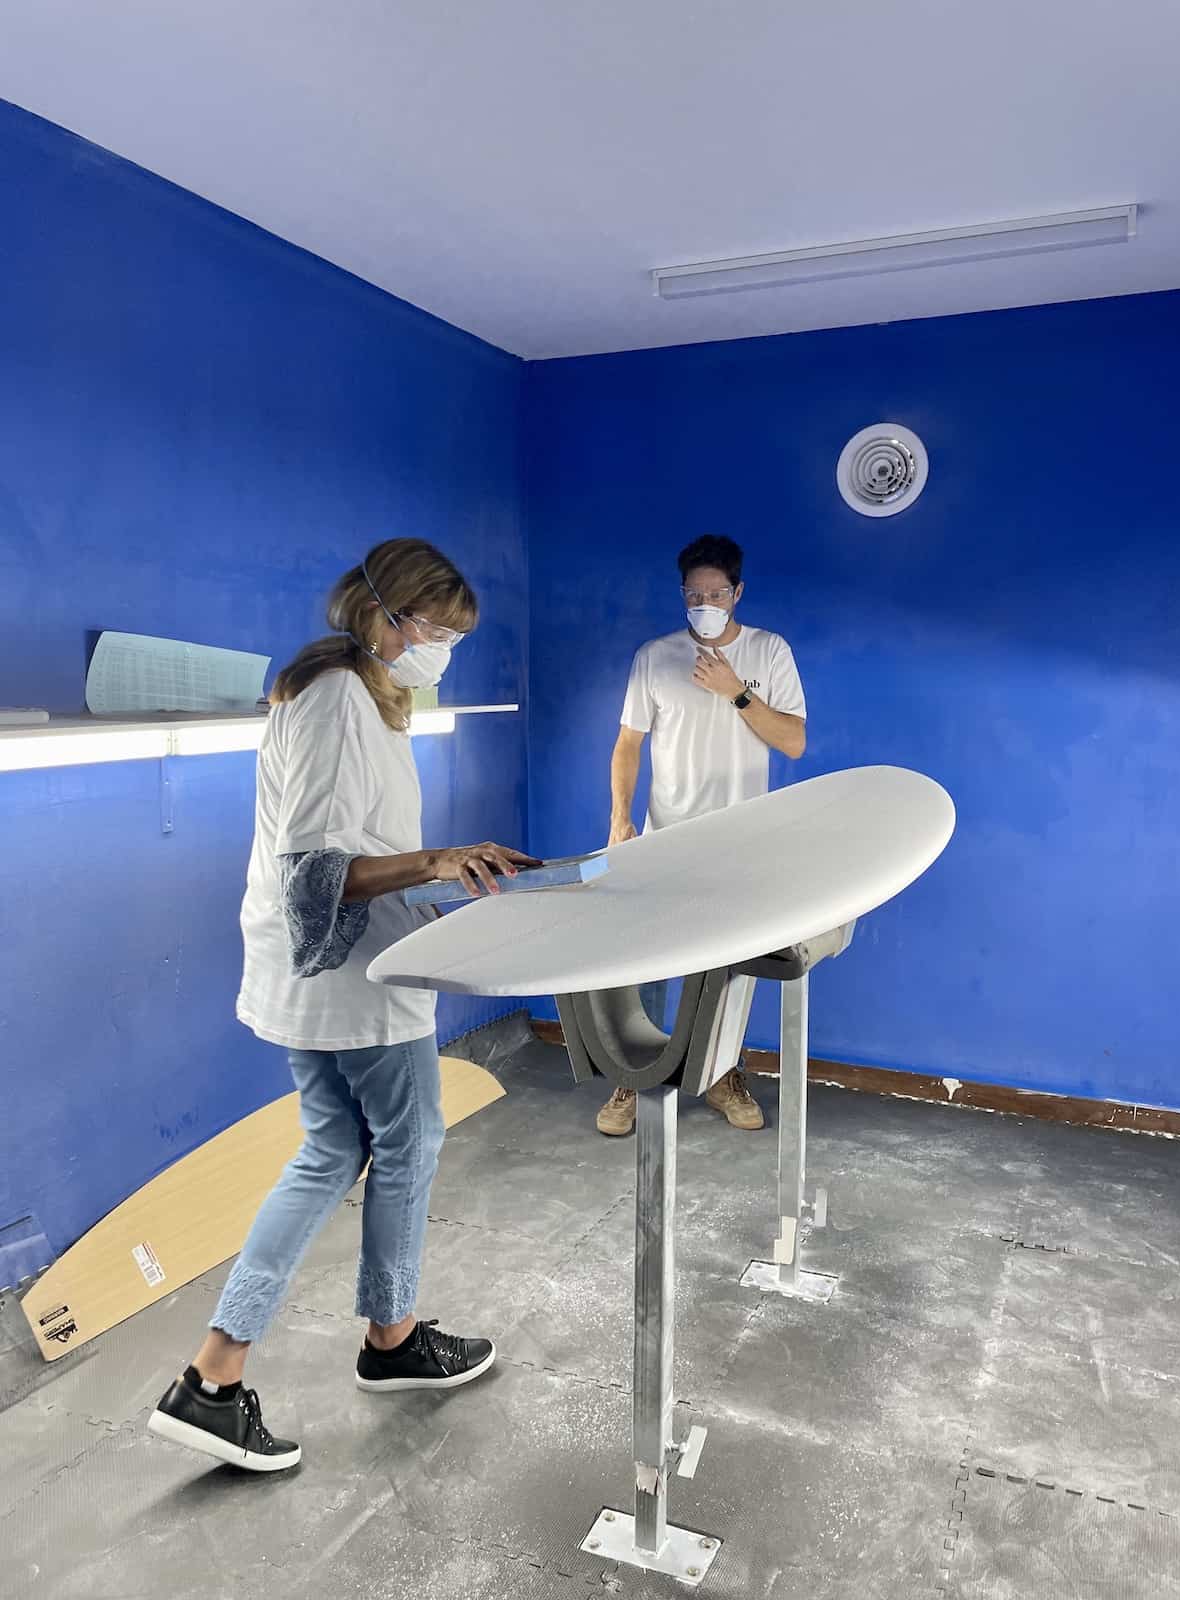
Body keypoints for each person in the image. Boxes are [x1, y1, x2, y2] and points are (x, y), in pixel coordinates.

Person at [148, 539, 537, 1472]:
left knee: (332, 1149)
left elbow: (346, 846)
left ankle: (216, 1377)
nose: (442, 646)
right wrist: (438, 862)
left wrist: (435, 869)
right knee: (408, 1141)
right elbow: (319, 868)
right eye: (436, 628)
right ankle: (388, 1342)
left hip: (331, 969)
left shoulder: (353, 692)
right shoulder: (332, 700)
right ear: (387, 613)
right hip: (349, 976)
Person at [598, 534, 807, 1137]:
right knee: (648, 957)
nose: (705, 602)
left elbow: (792, 741)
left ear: (737, 592)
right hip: (669, 837)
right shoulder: (654, 656)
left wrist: (735, 690)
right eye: (694, 594)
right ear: (683, 594)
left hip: (744, 843)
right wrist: (620, 818)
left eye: (717, 593)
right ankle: (632, 1079)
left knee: (732, 965)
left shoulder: (769, 653)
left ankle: (721, 1074)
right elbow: (628, 744)